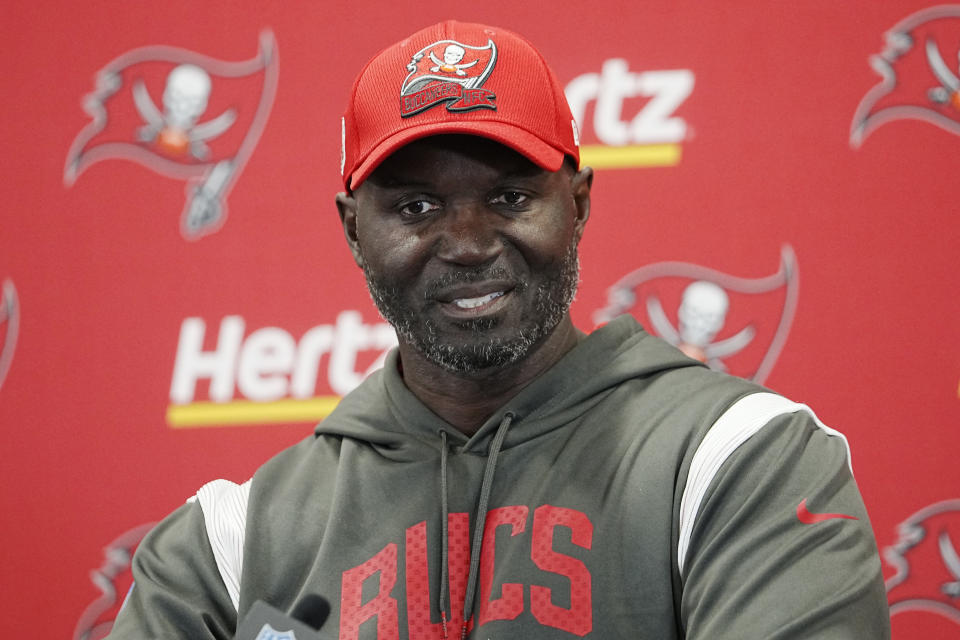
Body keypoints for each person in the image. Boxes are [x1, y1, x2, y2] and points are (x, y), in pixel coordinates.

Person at [108, 20, 891, 639]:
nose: (471, 243)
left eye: (512, 198)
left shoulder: (739, 460)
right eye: (416, 207)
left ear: (577, 204)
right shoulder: (227, 547)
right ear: (353, 230)